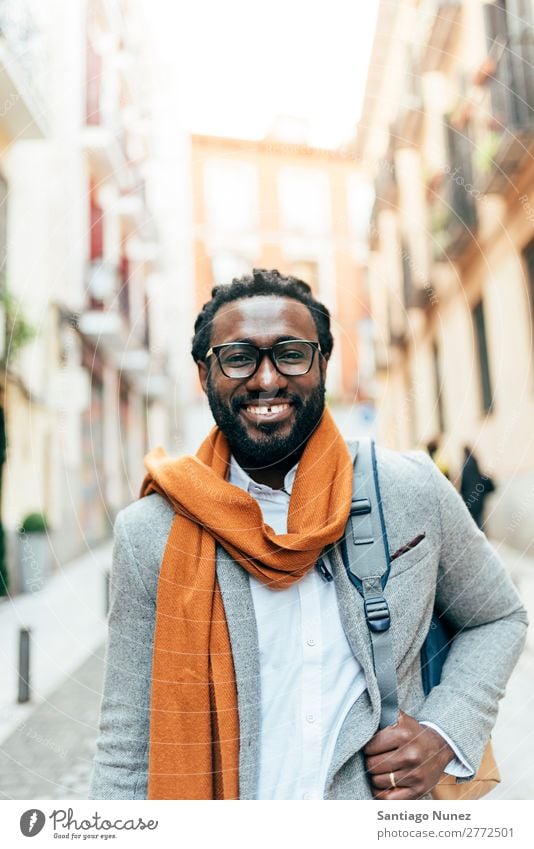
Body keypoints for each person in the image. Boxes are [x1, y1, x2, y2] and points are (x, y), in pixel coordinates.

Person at [90, 268, 528, 801]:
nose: (267, 379)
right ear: (205, 376)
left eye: (291, 353)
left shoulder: (409, 488)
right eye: (238, 357)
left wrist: (445, 731)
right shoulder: (150, 533)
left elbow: (498, 616)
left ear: (323, 363)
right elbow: (126, 745)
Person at [460, 445, 495, 529]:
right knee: (479, 522)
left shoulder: (466, 467)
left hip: (470, 500)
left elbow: (463, 486)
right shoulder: (475, 464)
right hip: (478, 500)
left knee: (474, 523)